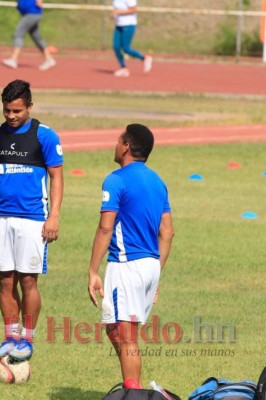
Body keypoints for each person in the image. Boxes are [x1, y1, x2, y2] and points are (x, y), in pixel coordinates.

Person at [0, 79, 64, 361]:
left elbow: (56, 177)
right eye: (7, 110)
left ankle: (28, 340)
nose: (10, 116)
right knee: (5, 280)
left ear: (30, 107)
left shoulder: (44, 136)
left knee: (28, 281)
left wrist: (54, 216)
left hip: (33, 219)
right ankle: (11, 337)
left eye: (17, 111)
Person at [87, 124, 174, 387]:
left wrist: (93, 271)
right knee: (117, 330)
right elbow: (167, 233)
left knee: (127, 337)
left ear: (126, 146)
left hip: (127, 265)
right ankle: (132, 385)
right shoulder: (158, 182)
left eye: (118, 140)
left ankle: (133, 392)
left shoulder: (116, 179)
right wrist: (156, 274)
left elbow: (105, 227)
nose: (115, 144)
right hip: (150, 266)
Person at [2, 0, 56, 71]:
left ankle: (13, 59)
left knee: (18, 33)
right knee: (36, 37)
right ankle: (49, 58)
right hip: (30, 14)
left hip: (33, 14)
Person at [111, 0, 152, 77]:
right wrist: (114, 15)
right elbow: (115, 9)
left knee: (126, 48)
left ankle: (144, 58)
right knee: (116, 47)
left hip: (129, 25)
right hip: (119, 25)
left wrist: (118, 12)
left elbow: (133, 9)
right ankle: (123, 68)